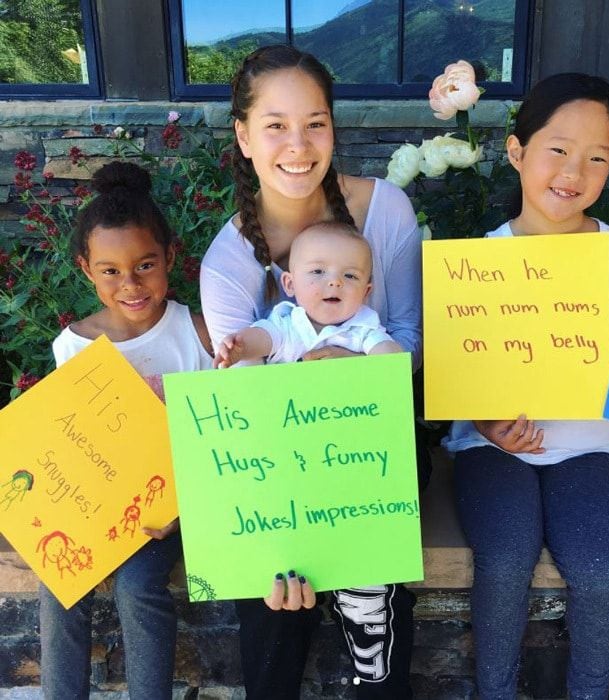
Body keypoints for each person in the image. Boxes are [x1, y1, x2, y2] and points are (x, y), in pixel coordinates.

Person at [200, 44, 422, 699]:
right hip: (278, 462)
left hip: (374, 444)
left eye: (315, 122)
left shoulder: (385, 213)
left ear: (333, 127)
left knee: (377, 582)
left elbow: (410, 337)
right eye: (274, 125)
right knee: (270, 598)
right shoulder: (230, 262)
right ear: (243, 136)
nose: (298, 145)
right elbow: (240, 392)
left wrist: (357, 367)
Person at [443, 73, 609, 700]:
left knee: (600, 568)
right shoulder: (477, 262)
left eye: (597, 156)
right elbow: (456, 376)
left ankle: (589, 695)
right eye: (557, 148)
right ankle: (493, 693)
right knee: (503, 560)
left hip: (585, 447)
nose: (573, 170)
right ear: (516, 150)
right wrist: (485, 422)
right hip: (493, 449)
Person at [40, 161, 213, 700]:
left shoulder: (197, 333)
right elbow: (71, 442)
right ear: (85, 269)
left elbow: (221, 434)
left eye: (145, 265)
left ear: (170, 259)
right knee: (56, 581)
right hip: (97, 503)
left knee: (138, 587)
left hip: (174, 505)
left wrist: (182, 505)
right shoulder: (73, 347)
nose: (131, 284)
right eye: (110, 270)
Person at [215, 222, 402, 366]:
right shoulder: (287, 324)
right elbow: (264, 338)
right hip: (293, 413)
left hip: (353, 412)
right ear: (290, 284)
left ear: (365, 292)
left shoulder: (364, 328)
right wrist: (241, 347)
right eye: (318, 272)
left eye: (350, 275)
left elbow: (390, 358)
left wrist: (388, 356)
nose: (335, 282)